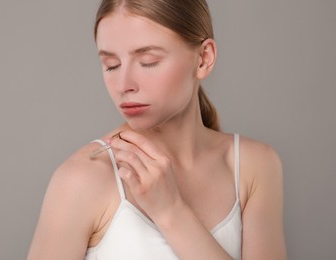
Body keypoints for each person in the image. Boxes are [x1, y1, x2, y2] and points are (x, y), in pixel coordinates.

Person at [27, 0, 287, 259]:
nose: (124, 85)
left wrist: (171, 212)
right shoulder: (82, 179)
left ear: (203, 59)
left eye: (148, 61)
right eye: (111, 65)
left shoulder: (255, 166)